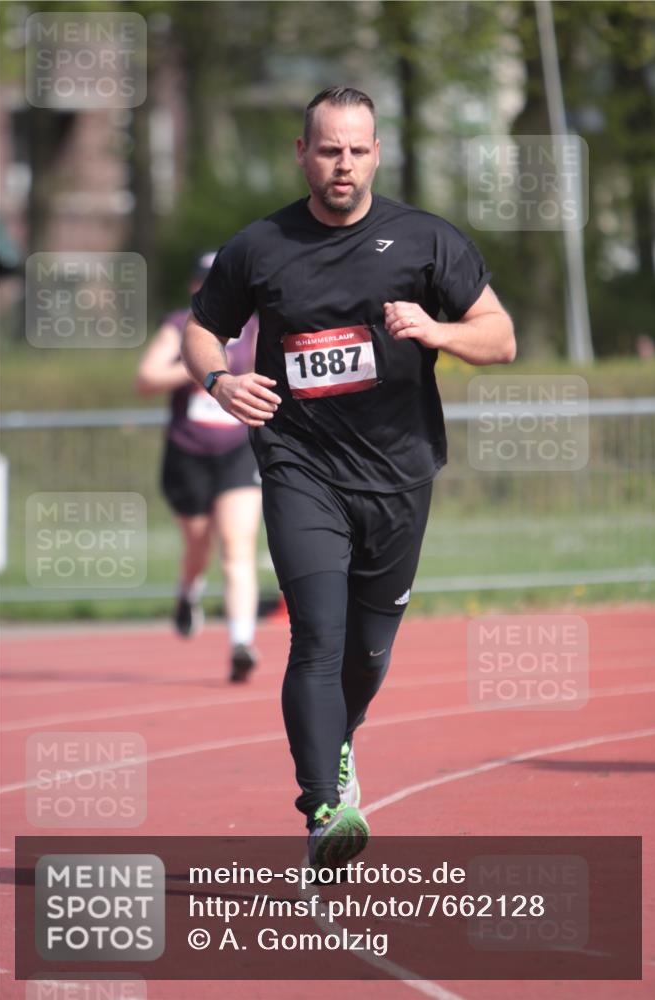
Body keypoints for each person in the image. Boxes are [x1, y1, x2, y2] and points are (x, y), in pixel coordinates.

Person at [182, 87, 516, 864]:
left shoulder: (425, 242)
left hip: (399, 472)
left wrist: (435, 329)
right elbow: (205, 328)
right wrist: (220, 382)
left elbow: (498, 337)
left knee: (367, 655)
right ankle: (325, 808)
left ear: (376, 153)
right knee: (316, 639)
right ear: (302, 152)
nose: (343, 164)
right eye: (328, 149)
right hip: (300, 464)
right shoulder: (259, 247)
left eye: (357, 150)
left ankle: (339, 741)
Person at [136, 252, 261, 683]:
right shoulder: (179, 327)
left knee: (236, 545)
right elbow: (147, 377)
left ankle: (241, 643)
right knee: (197, 546)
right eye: (205, 283)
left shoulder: (253, 329)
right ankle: (188, 591)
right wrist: (202, 367)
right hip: (188, 453)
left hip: (236, 451)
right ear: (194, 287)